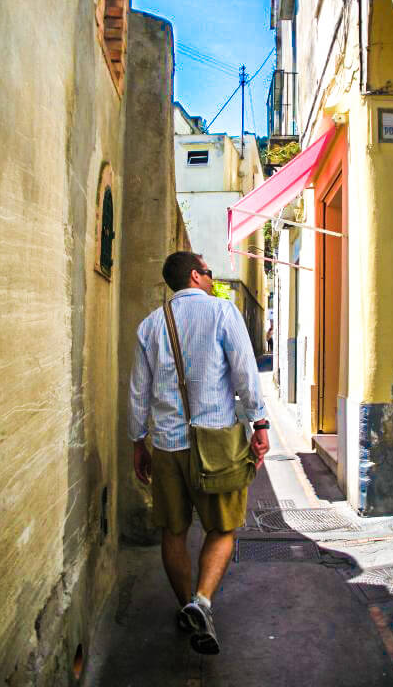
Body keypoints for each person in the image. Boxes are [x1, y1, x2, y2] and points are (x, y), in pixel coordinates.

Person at [128, 251, 270, 655]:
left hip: (168, 445)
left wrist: (138, 441)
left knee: (172, 530)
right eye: (208, 272)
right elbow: (245, 374)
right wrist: (259, 425)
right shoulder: (223, 313)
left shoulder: (151, 325)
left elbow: (138, 390)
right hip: (217, 442)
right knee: (222, 527)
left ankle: (185, 606)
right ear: (195, 275)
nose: (212, 279)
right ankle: (202, 602)